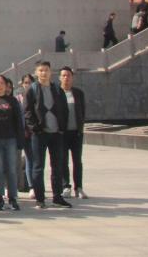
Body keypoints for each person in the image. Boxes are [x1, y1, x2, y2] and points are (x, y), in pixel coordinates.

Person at [23, 60, 72, 209]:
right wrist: (35, 128)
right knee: (38, 166)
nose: (43, 73)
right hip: (40, 134)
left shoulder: (57, 89)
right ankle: (40, 199)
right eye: (41, 70)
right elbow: (27, 112)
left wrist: (62, 128)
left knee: (57, 166)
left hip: (56, 133)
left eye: (46, 70)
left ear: (50, 72)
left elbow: (64, 109)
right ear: (36, 73)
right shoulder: (32, 90)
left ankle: (57, 197)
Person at [0, 74, 24, 211]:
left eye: (1, 83)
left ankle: (13, 197)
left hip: (10, 139)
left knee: (11, 169)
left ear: (6, 85)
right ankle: (0, 197)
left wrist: (20, 140)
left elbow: (18, 121)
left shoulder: (13, 101)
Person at [59, 67, 87, 199]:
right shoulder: (57, 93)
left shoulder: (78, 93)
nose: (66, 78)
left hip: (76, 133)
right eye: (64, 75)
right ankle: (66, 186)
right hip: (62, 133)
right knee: (63, 161)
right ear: (60, 78)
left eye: (68, 75)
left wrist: (81, 127)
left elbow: (82, 111)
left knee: (77, 161)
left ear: (72, 77)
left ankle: (79, 187)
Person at [17, 73, 35, 197]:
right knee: (28, 159)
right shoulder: (18, 98)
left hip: (35, 132)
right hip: (23, 133)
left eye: (30, 82)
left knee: (36, 160)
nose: (28, 85)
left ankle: (36, 184)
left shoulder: (36, 95)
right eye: (26, 83)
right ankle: (30, 186)